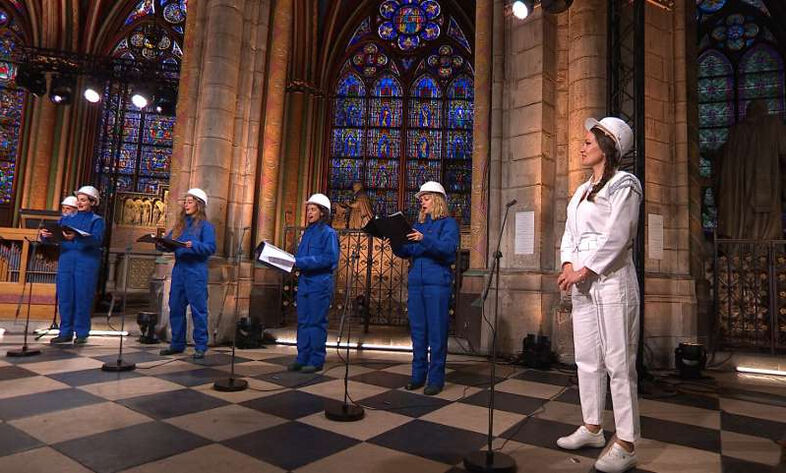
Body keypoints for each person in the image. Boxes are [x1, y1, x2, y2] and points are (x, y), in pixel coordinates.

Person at [557, 117, 642, 473]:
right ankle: (592, 426)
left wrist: (584, 269)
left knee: (619, 361)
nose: (581, 147)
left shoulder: (625, 184)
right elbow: (569, 233)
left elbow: (618, 236)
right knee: (588, 358)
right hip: (581, 279)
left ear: (607, 147)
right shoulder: (580, 191)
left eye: (588, 143)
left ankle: (627, 441)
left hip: (611, 277)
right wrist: (566, 265)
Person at [391, 181, 458, 396]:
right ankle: (417, 376)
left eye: (426, 198)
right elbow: (406, 251)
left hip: (437, 283)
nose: (422, 202)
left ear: (438, 201)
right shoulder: (418, 225)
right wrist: (393, 238)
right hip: (417, 284)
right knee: (418, 333)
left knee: (437, 333)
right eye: (421, 199)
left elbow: (448, 250)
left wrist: (424, 239)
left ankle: (435, 379)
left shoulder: (449, 224)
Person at [43, 186, 105, 345]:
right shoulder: (66, 219)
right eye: (78, 199)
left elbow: (97, 240)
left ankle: (82, 332)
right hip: (66, 260)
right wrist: (47, 237)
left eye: (83, 200)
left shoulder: (97, 220)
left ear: (92, 202)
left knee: (82, 297)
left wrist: (78, 237)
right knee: (65, 297)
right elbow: (56, 237)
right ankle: (65, 332)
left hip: (86, 262)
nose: (79, 202)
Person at [159, 188, 216, 359]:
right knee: (175, 307)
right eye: (185, 201)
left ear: (199, 205)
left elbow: (211, 248)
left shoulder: (206, 226)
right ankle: (177, 344)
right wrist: (160, 243)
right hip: (179, 271)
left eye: (190, 202)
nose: (186, 204)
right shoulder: (179, 226)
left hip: (196, 272)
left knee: (198, 310)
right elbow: (169, 241)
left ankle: (200, 345)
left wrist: (194, 245)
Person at [289, 193, 339, 373]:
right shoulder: (307, 233)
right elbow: (300, 257)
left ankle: (316, 359)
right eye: (308, 209)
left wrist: (301, 262)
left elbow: (330, 259)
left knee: (316, 322)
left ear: (322, 212)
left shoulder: (329, 234)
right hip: (305, 282)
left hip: (320, 283)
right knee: (303, 321)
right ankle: (302, 357)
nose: (309, 213)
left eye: (313, 209)